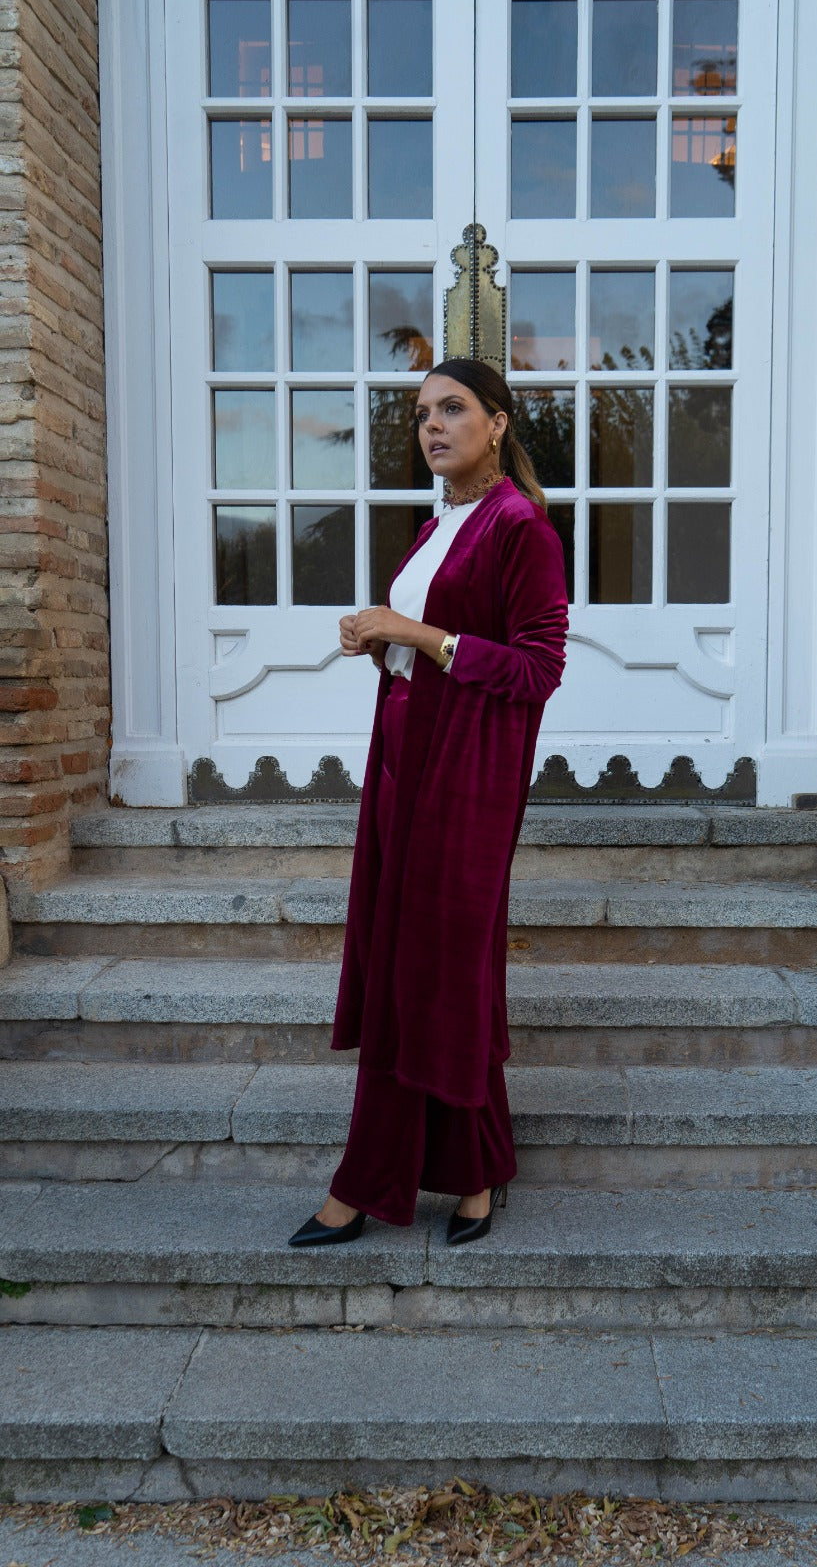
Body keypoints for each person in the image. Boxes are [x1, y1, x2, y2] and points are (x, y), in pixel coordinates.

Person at [289, 357, 568, 1249]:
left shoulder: (519, 528)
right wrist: (383, 644)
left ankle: (361, 1185)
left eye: (452, 409)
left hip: (466, 776)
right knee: (415, 968)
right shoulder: (438, 525)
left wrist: (414, 631)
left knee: (437, 970)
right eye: (421, 415)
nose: (432, 427)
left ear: (498, 422)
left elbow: (537, 669)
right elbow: (439, 647)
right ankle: (475, 1171)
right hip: (404, 764)